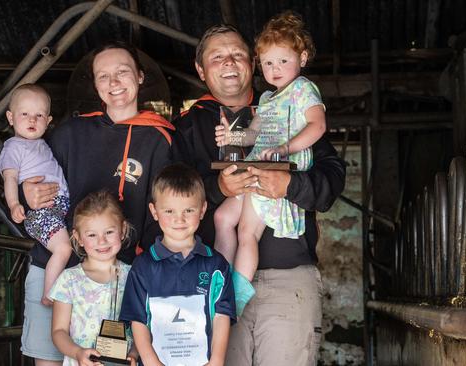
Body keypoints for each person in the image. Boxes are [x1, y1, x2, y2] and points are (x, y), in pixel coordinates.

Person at [173, 24, 345, 365]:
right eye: (217, 56)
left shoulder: (291, 104)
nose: (229, 63)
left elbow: (331, 181)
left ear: (252, 63)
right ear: (200, 69)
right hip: (208, 284)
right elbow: (166, 196)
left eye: (237, 54)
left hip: (287, 278)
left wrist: (289, 186)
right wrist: (217, 189)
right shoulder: (186, 127)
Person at [19, 41, 175, 365]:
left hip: (119, 277)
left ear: (140, 76)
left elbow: (163, 213)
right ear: (94, 84)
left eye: (122, 72)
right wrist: (26, 194)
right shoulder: (70, 132)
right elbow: (31, 177)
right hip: (56, 267)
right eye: (103, 76)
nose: (114, 83)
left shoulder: (159, 139)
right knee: (49, 358)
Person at [212, 11, 327, 315]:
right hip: (257, 163)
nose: (274, 70)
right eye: (268, 63)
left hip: (275, 168)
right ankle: (218, 278)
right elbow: (253, 134)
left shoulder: (303, 89)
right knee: (223, 217)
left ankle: (234, 296)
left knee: (247, 232)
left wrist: (286, 147)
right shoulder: (266, 99)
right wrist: (231, 137)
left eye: (283, 61)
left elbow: (318, 126)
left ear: (302, 58)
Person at [119, 163, 235, 366]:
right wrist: (151, 362)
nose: (179, 219)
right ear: (154, 212)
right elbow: (137, 320)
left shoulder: (216, 265)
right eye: (169, 211)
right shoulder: (143, 266)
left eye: (188, 210)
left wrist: (216, 360)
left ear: (202, 209)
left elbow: (221, 316)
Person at [0, 84, 72, 307]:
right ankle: (49, 294)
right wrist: (13, 204)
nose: (32, 120)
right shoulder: (13, 147)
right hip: (41, 212)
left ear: (48, 121)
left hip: (57, 209)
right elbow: (10, 178)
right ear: (11, 118)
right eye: (25, 114)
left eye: (39, 115)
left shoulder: (42, 144)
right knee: (64, 248)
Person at [49, 190, 138, 366]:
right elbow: (58, 331)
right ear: (78, 238)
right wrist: (78, 353)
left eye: (109, 232)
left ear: (123, 230)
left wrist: (134, 354)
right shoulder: (68, 280)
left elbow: (143, 327)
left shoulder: (135, 275)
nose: (102, 241)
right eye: (92, 235)